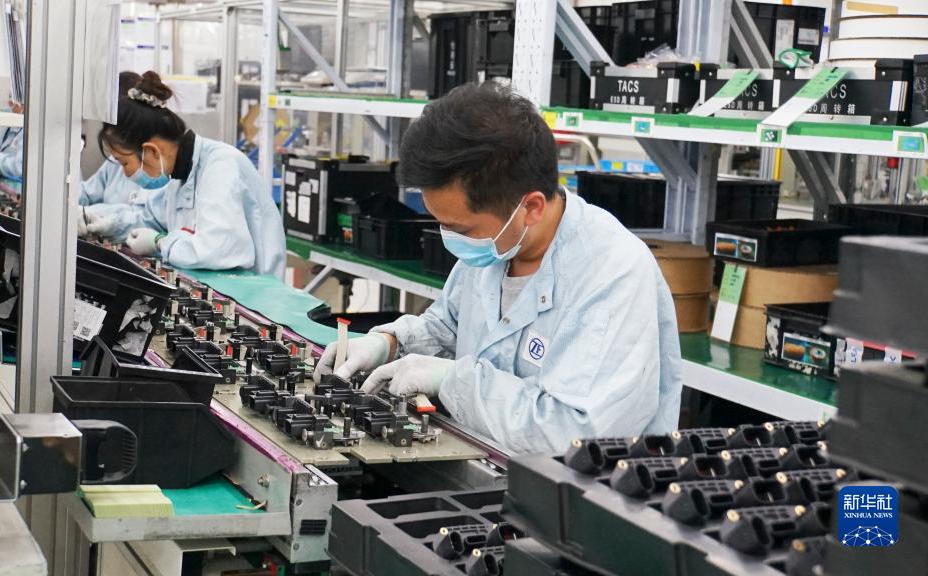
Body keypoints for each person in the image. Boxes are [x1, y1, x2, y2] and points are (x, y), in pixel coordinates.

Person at [315, 82, 682, 454]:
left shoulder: (611, 274)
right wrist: (390, 343)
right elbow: (449, 324)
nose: (449, 238)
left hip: (569, 483)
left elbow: (572, 433)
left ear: (531, 207)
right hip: (481, 459)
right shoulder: (498, 245)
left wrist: (451, 381)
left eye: (461, 229)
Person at [87, 72, 286, 275]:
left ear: (152, 151)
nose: (125, 172)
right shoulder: (179, 176)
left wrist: (160, 243)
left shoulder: (221, 168)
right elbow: (150, 218)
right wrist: (113, 225)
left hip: (253, 289)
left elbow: (217, 248)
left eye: (124, 162)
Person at [80, 71, 178, 242]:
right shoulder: (114, 163)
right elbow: (87, 193)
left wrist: (94, 214)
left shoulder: (168, 170)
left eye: (124, 162)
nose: (125, 170)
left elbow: (146, 218)